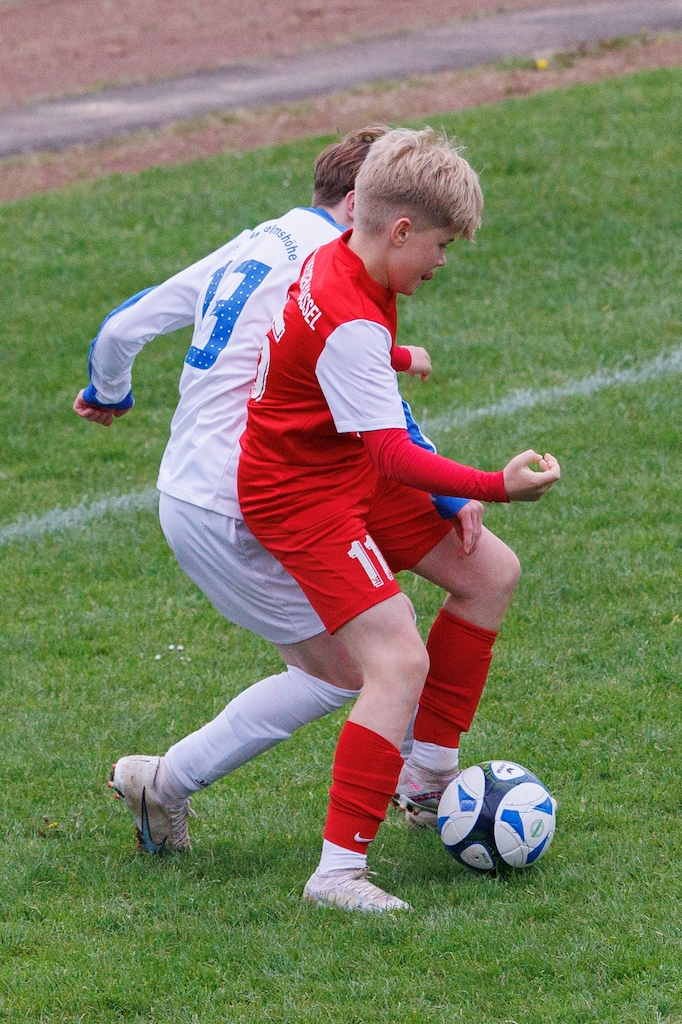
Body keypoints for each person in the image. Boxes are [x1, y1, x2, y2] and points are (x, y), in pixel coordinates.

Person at [74, 126, 504, 855]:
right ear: (362, 205)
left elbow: (122, 327)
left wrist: (107, 392)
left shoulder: (262, 240)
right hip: (248, 497)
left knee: (441, 602)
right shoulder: (337, 263)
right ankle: (170, 784)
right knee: (354, 667)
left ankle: (427, 779)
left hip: (217, 481)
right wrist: (457, 490)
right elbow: (371, 399)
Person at [237, 126, 561, 912]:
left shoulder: (345, 256)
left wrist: (395, 356)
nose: (442, 263)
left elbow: (323, 349)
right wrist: (492, 485)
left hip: (338, 469)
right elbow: (392, 452)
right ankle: (337, 873)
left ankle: (429, 778)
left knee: (491, 573)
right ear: (402, 229)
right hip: (301, 497)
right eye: (441, 246)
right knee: (397, 661)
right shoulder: (352, 314)